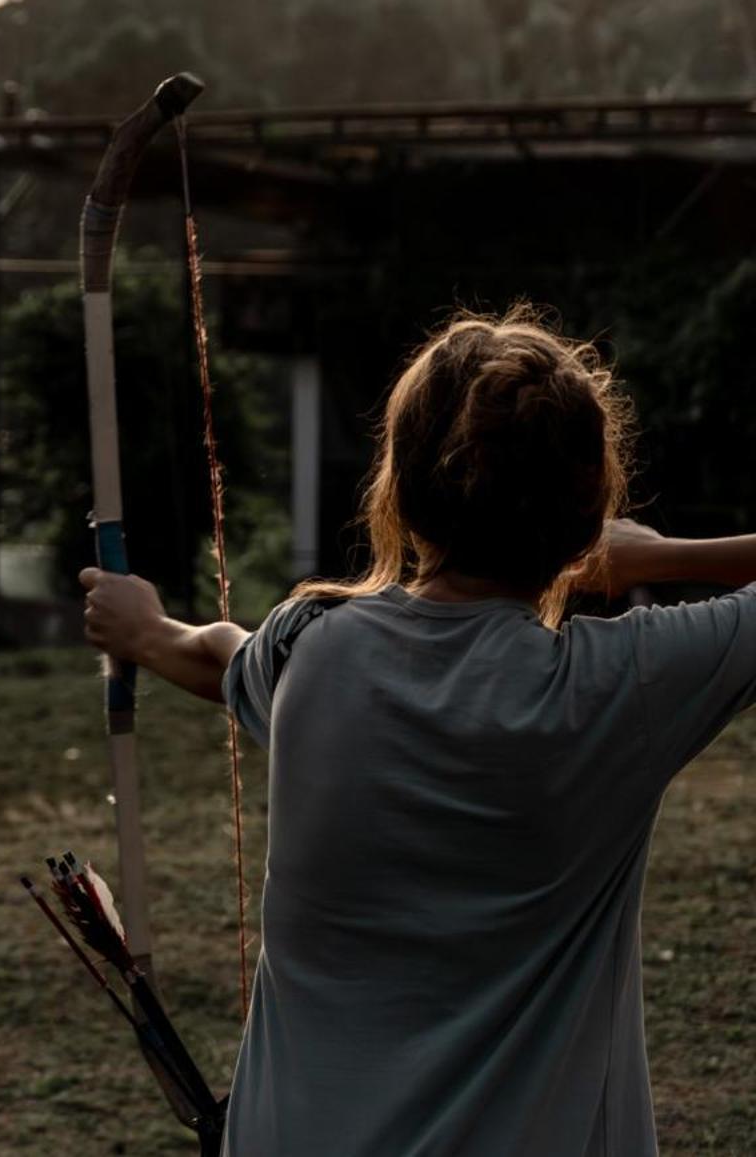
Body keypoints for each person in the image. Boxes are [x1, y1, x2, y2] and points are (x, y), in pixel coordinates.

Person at [77, 308, 756, 1156]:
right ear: (584, 514)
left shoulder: (314, 650)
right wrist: (654, 556)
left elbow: (222, 655)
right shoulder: (618, 688)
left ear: (401, 488)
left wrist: (145, 631)